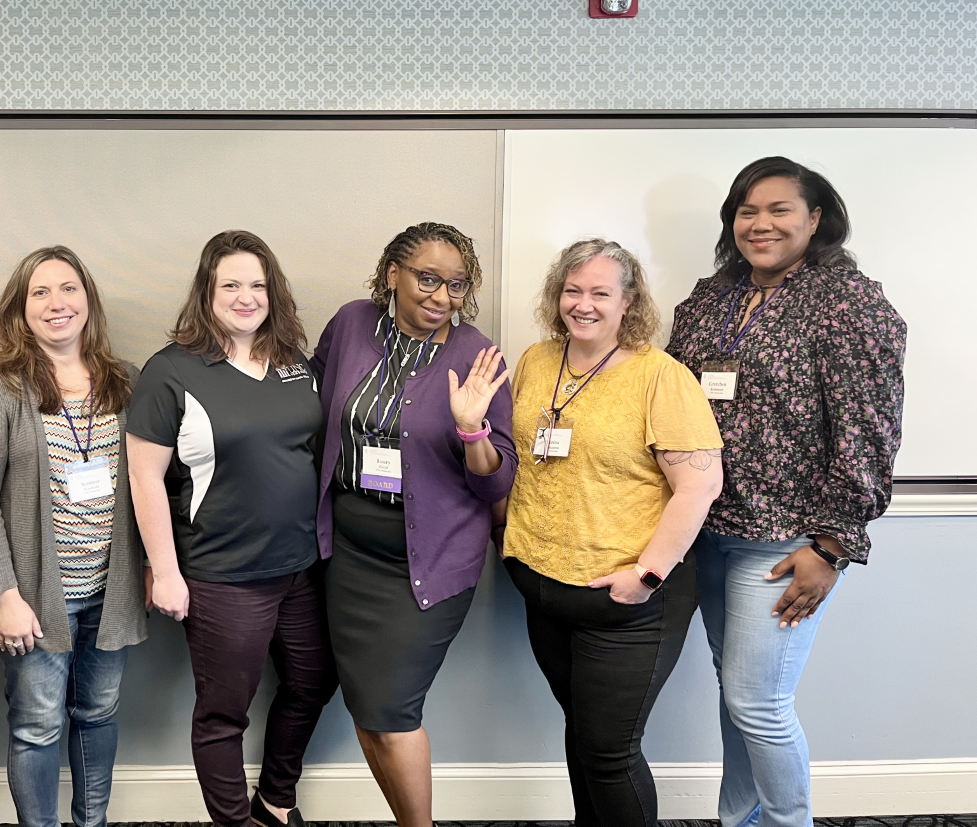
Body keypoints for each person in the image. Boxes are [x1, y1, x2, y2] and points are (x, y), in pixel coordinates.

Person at [666, 157, 906, 827]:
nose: (760, 223)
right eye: (747, 210)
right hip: (705, 530)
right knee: (736, 697)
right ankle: (739, 820)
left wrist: (831, 545)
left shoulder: (847, 303)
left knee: (759, 703)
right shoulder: (711, 299)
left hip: (785, 542)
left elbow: (869, 428)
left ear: (815, 218)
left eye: (779, 209)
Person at [500, 238, 723, 827]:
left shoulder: (661, 378)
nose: (584, 304)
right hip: (543, 587)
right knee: (583, 735)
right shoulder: (537, 360)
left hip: (627, 602)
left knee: (608, 753)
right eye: (572, 290)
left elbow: (700, 486)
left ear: (628, 302)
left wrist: (646, 576)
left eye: (600, 292)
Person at [126, 230, 338, 827]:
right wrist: (164, 570)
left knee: (313, 682)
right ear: (207, 292)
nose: (247, 297)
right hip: (223, 575)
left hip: (300, 567)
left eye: (258, 285)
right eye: (231, 285)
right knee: (224, 714)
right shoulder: (171, 371)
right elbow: (144, 478)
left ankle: (274, 800)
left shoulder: (294, 363)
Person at [311, 221, 516, 827]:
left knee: (392, 712)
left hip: (427, 562)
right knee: (368, 711)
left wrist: (472, 430)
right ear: (392, 274)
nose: (441, 296)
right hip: (348, 555)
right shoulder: (352, 324)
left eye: (456, 285)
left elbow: (495, 482)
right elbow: (310, 404)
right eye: (428, 279)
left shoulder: (478, 357)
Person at [0, 246, 147, 827]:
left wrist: (148, 569)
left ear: (88, 300)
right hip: (35, 599)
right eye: (39, 292)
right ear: (21, 308)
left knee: (99, 714)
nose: (56, 303)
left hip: (110, 591)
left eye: (68, 288)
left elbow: (151, 487)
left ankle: (92, 822)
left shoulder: (126, 382)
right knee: (37, 726)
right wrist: (4, 597)